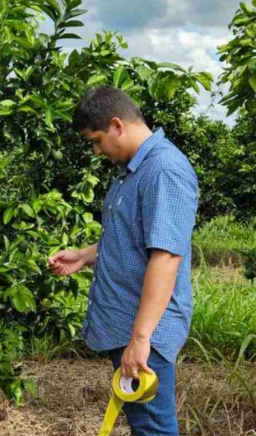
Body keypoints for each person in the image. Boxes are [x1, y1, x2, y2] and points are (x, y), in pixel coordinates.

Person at [48, 87, 198, 435]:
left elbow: (166, 256)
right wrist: (83, 256)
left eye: (97, 140)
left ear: (117, 125)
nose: (97, 151)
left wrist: (141, 338)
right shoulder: (135, 170)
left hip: (146, 331)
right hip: (131, 326)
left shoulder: (164, 170)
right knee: (143, 424)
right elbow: (132, 238)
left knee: (152, 429)